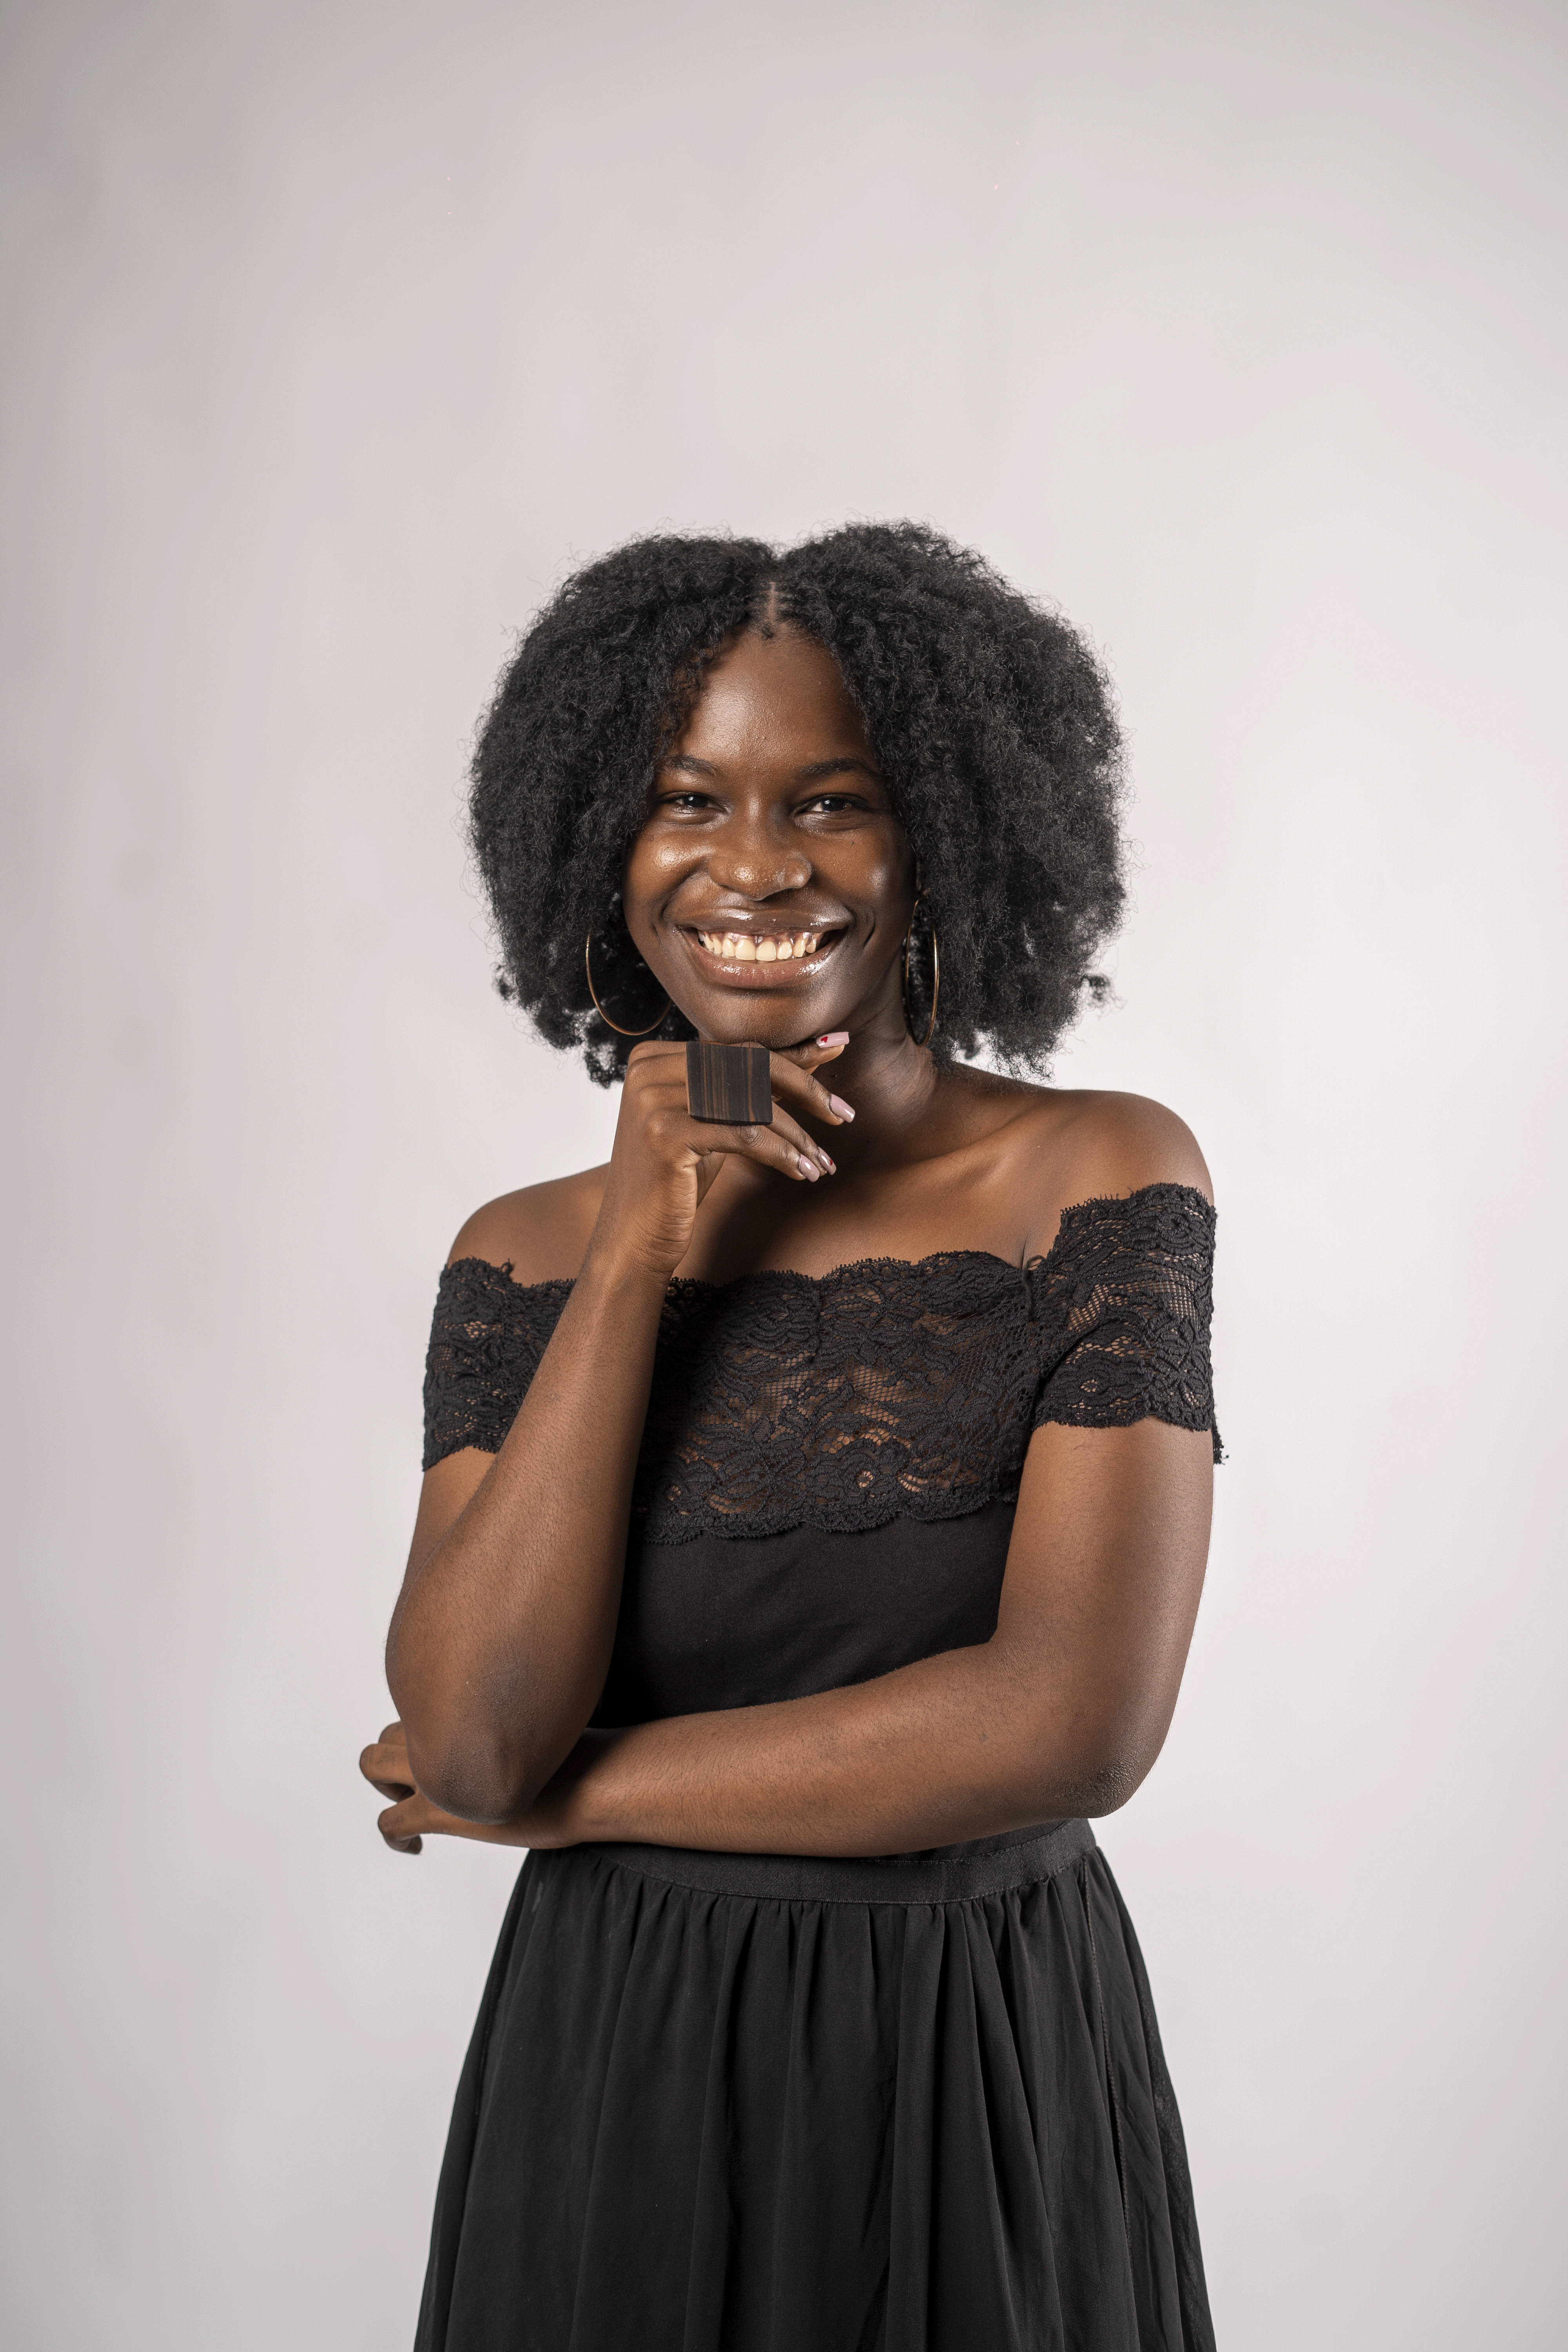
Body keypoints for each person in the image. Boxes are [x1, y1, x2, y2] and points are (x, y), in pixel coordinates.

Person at [359, 523, 1221, 2352]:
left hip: (973, 2065)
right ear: (599, 844)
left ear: (944, 837)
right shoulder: (520, 1252)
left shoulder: (1092, 1176)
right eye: (686, 801)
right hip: (617, 2072)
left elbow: (1070, 1725)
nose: (755, 865)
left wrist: (564, 1799)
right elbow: (476, 1727)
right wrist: (635, 1251)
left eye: (832, 802)